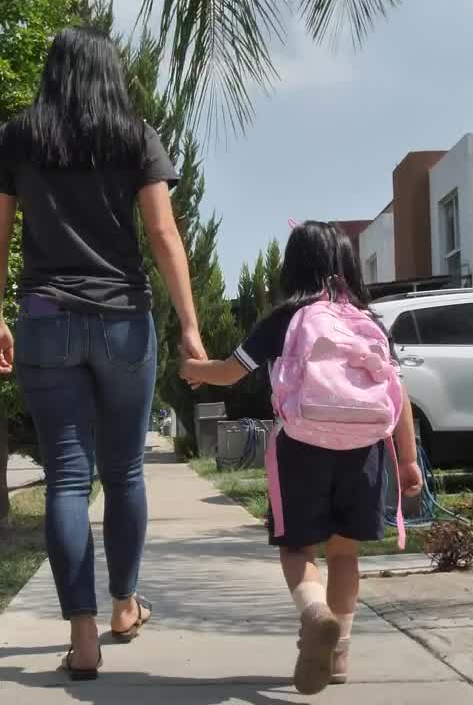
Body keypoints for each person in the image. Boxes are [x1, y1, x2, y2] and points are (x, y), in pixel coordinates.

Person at [0, 27, 205, 681]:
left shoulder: (18, 137)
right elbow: (163, 234)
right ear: (111, 72)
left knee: (69, 480)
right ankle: (125, 605)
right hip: (122, 321)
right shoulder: (133, 135)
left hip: (46, 320)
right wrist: (190, 327)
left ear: (52, 73)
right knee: (126, 470)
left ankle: (83, 638)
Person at [179, 221, 424, 695]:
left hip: (303, 449)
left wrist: (194, 369)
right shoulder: (370, 321)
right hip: (366, 451)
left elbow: (231, 373)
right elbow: (400, 394)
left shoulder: (286, 319)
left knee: (297, 548)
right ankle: (339, 654)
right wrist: (408, 461)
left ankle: (314, 614)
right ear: (349, 265)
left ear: (293, 266)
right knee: (345, 552)